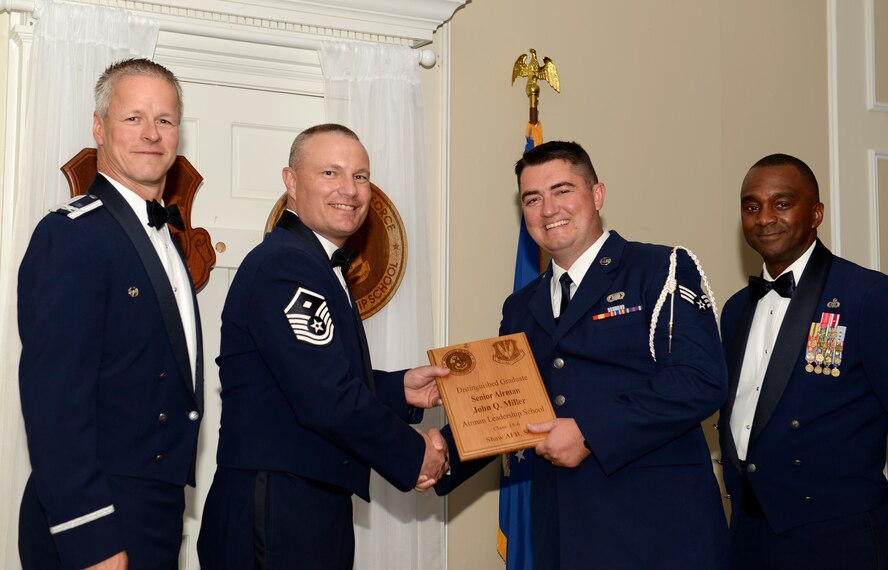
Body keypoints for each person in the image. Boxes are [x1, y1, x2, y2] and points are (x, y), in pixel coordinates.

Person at [436, 140, 729, 568]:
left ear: (597, 195)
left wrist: (590, 432)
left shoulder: (660, 269)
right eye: (532, 199)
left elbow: (700, 380)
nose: (548, 209)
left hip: (657, 530)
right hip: (561, 532)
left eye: (562, 190)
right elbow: (507, 407)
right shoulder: (520, 305)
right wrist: (436, 454)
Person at [197, 123, 449, 570]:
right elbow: (326, 398)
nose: (349, 190)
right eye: (330, 173)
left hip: (302, 501)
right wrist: (415, 456)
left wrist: (399, 390)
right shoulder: (286, 265)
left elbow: (308, 378)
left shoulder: (314, 263)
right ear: (291, 181)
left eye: (360, 176)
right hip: (278, 507)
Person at [18, 59, 202, 569]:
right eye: (133, 118)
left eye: (165, 120)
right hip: (96, 516)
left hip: (156, 511)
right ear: (98, 127)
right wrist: (92, 538)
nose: (151, 133)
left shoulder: (166, 239)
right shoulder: (71, 235)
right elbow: (55, 405)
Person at [719, 153, 888, 568]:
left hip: (836, 535)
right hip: (748, 532)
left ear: (815, 214)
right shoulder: (735, 308)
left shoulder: (867, 295)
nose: (764, 218)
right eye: (751, 206)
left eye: (782, 203)